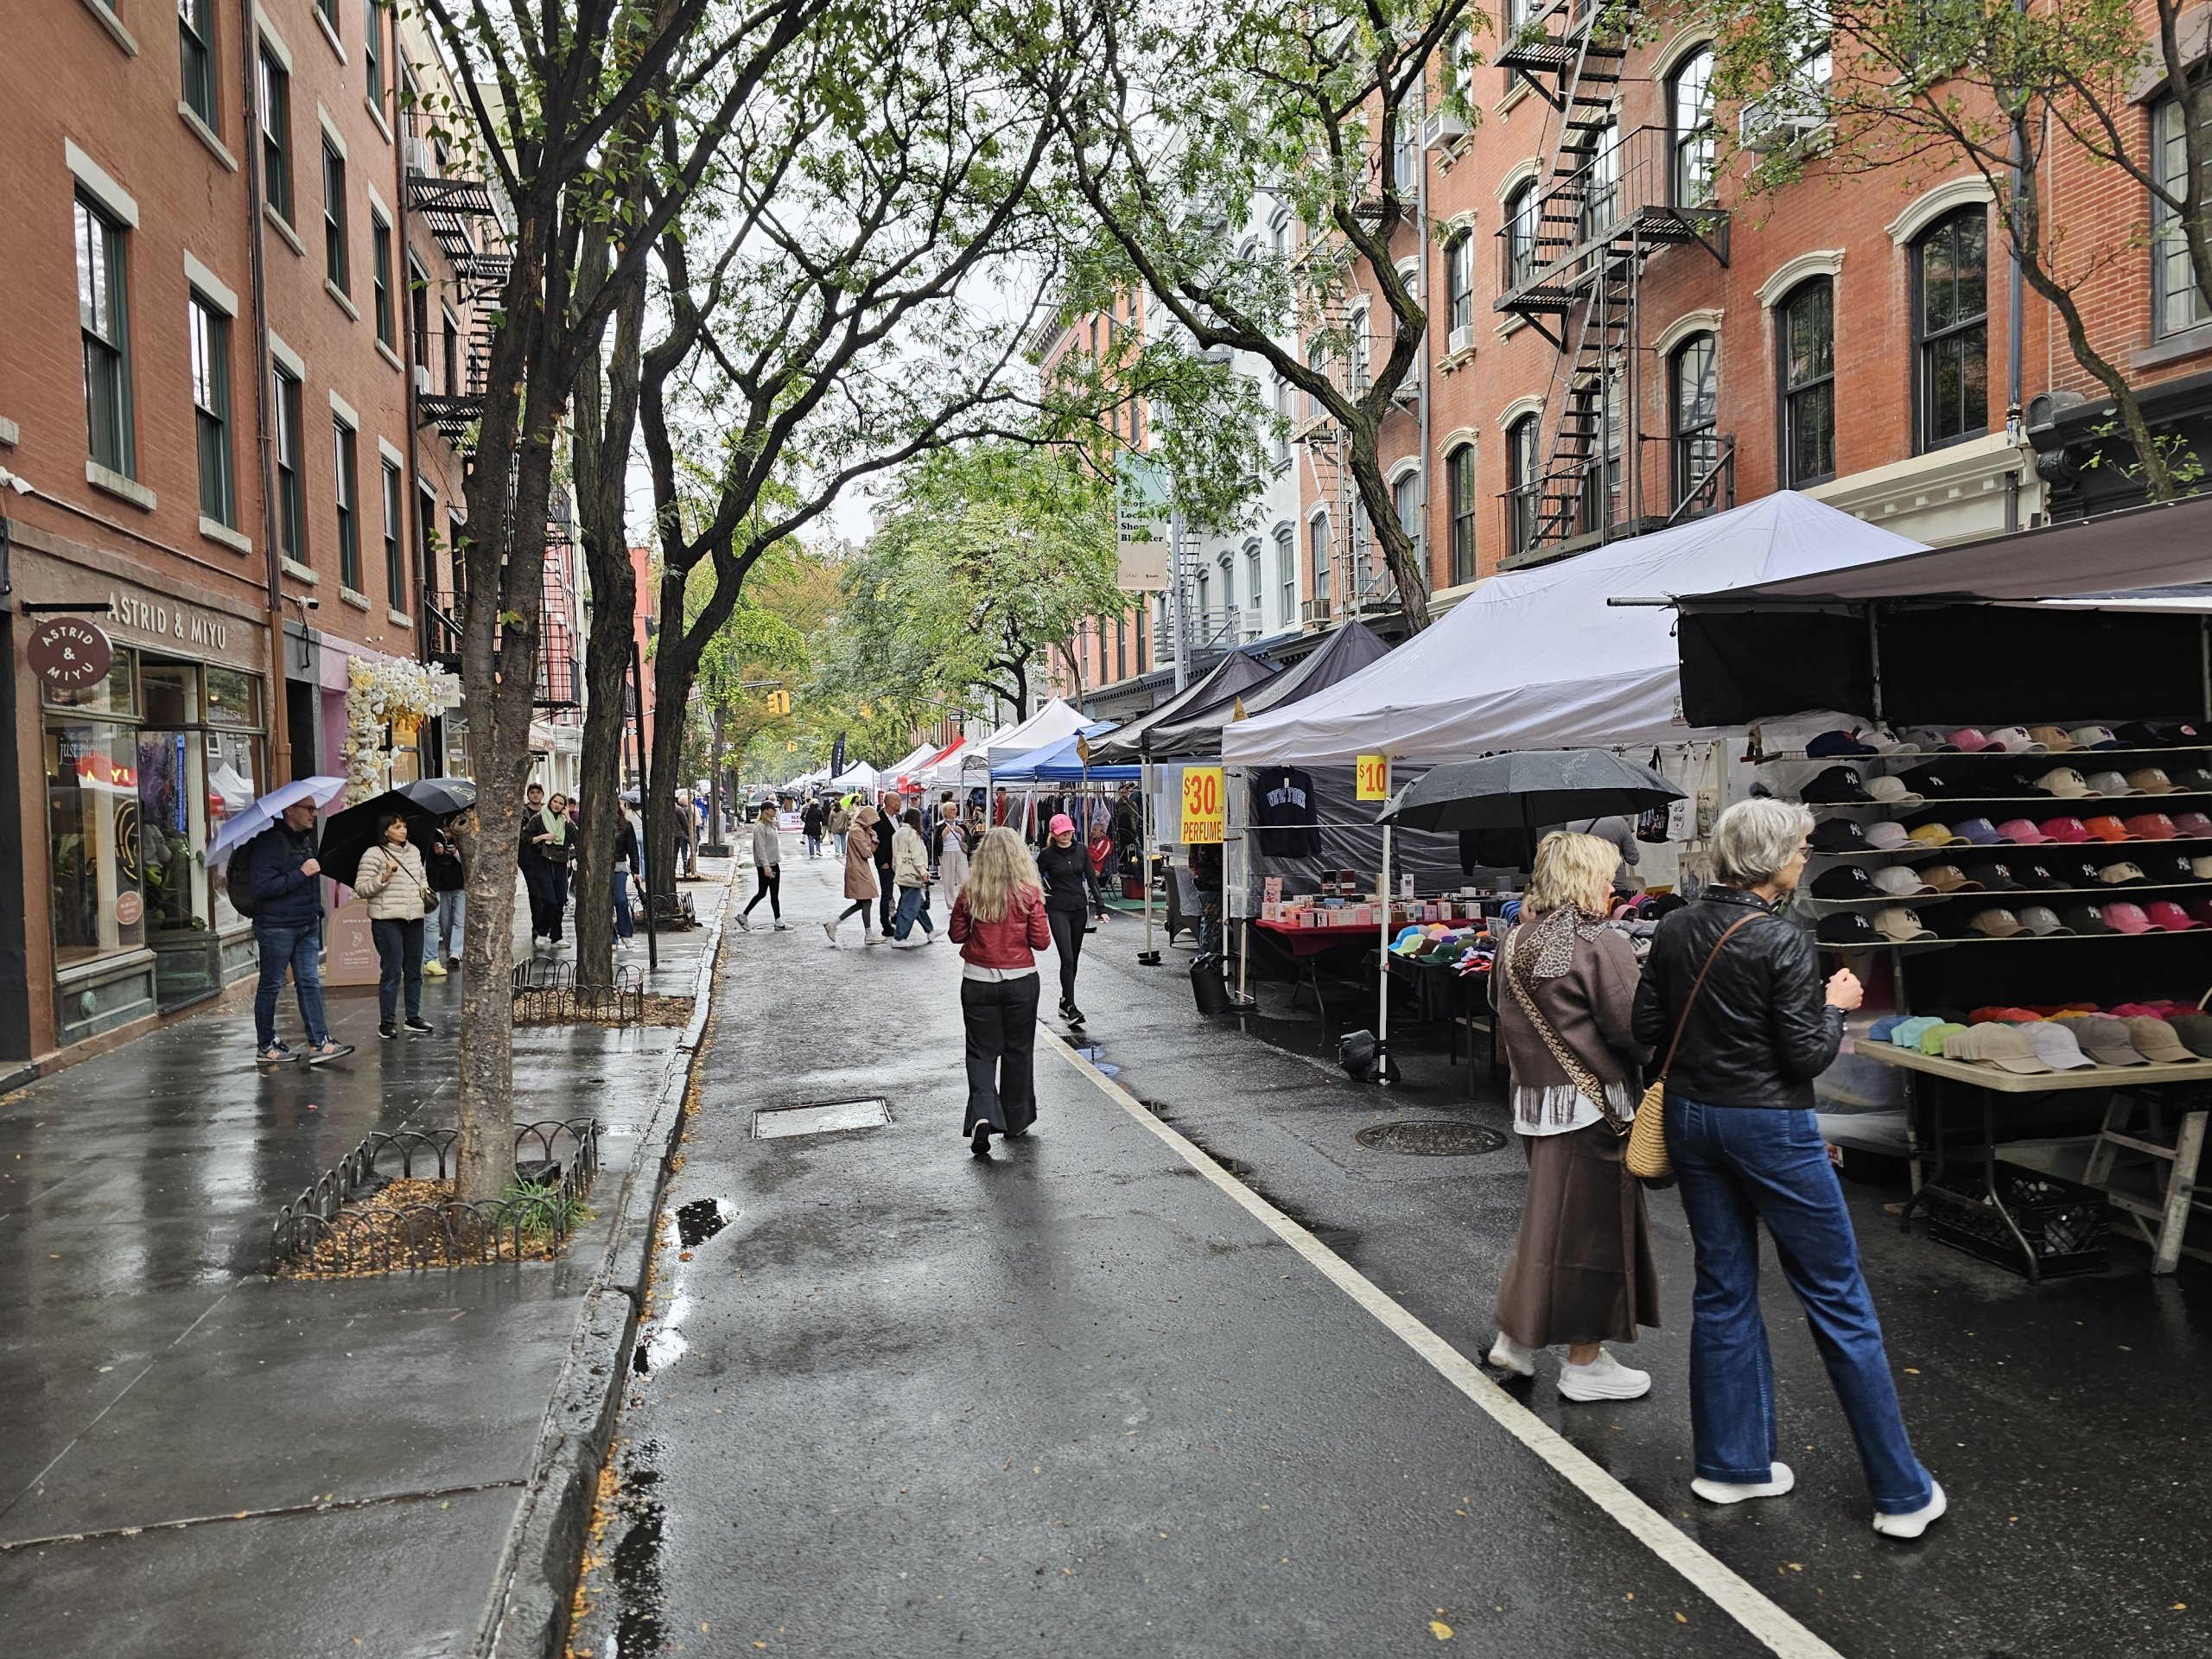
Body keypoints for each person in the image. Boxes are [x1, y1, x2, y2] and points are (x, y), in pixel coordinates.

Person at [1630, 798, 1943, 1539]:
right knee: (1837, 1297)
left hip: (1693, 1118)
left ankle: (1731, 1466)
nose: (1806, 856)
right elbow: (1806, 1055)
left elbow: (1646, 1026)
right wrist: (1836, 1005)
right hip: (1770, 1126)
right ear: (1772, 859)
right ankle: (1900, 1492)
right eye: (1801, 847)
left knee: (1723, 1287)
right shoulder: (1786, 940)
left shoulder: (1675, 927)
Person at [1485, 831, 1657, 1402]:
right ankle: (1585, 1362)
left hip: (1537, 1102)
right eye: (1607, 876)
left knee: (1551, 1224)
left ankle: (1519, 1333)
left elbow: (1498, 1006)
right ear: (1587, 879)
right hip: (1594, 1107)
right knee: (1596, 1237)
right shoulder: (1598, 943)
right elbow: (1635, 1029)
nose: (1613, 887)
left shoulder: (1517, 938)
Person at [950, 826, 1052, 1156]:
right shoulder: (1028, 892)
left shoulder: (971, 890)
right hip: (1020, 979)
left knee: (980, 1051)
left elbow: (956, 935)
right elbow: (1041, 941)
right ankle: (1016, 1120)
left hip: (978, 979)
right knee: (1018, 1050)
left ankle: (982, 1113)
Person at [241, 797, 353, 1066]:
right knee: (271, 985)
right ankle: (266, 1045)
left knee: (310, 983)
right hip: (277, 927)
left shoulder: (303, 841)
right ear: (290, 810)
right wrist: (302, 873)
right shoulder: (270, 843)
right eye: (309, 809)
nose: (314, 813)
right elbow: (262, 888)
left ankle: (320, 1042)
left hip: (306, 924)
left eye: (315, 808)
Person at [355, 812, 436, 1040]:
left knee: (414, 970)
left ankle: (413, 1017)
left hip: (415, 918)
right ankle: (387, 1022)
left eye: (404, 826)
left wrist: (424, 891)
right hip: (387, 920)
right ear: (385, 831)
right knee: (392, 971)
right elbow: (361, 889)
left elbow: (422, 877)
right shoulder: (373, 854)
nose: (403, 831)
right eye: (397, 827)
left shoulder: (414, 851)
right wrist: (384, 876)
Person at [1037, 811, 1106, 1027]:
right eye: (1061, 832)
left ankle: (1065, 1001)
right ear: (1053, 833)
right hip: (1058, 909)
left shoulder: (1081, 850)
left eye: (1068, 831)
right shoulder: (1046, 855)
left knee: (1073, 958)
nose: (1066, 835)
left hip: (1079, 909)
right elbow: (1034, 878)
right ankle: (1071, 1007)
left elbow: (1091, 877)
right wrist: (1043, 897)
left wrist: (1101, 906)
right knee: (1066, 957)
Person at [519, 785, 574, 953]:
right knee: (549, 900)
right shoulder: (539, 817)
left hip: (560, 860)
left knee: (560, 900)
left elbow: (575, 838)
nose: (557, 805)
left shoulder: (564, 820)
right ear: (550, 802)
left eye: (561, 803)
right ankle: (542, 932)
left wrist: (568, 819)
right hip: (542, 861)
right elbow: (524, 839)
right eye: (555, 802)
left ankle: (557, 936)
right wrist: (542, 837)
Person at [826, 805, 881, 946]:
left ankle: (834, 924)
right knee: (866, 901)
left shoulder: (860, 830)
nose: (873, 824)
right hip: (858, 870)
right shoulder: (857, 831)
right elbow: (867, 852)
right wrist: (873, 837)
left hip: (859, 868)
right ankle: (868, 934)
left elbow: (869, 850)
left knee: (862, 902)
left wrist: (871, 836)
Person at [422, 817, 466, 976]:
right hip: (440, 886)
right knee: (444, 922)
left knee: (457, 921)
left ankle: (454, 952)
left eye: (449, 831)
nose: (447, 834)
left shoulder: (461, 839)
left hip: (458, 885)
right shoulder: (431, 838)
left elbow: (469, 860)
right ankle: (448, 951)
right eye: (445, 831)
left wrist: (454, 853)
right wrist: (439, 853)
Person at [889, 808, 937, 947]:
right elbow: (916, 856)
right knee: (909, 907)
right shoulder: (912, 834)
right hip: (912, 874)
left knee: (917, 904)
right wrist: (923, 872)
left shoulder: (898, 833)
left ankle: (930, 930)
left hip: (901, 873)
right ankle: (899, 938)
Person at [740, 803, 787, 931]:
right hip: (766, 866)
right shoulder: (760, 827)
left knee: (771, 893)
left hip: (774, 863)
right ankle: (744, 916)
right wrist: (766, 866)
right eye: (773, 809)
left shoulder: (770, 824)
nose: (775, 811)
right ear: (766, 810)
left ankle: (778, 920)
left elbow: (776, 825)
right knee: (763, 893)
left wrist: (774, 821)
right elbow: (760, 848)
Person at [613, 804, 641, 950]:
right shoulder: (597, 824)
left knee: (621, 900)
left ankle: (625, 934)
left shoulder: (625, 825)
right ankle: (612, 938)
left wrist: (636, 870)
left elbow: (632, 848)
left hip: (619, 865)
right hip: (601, 867)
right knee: (606, 903)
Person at [872, 798, 899, 936]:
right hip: (886, 862)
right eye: (898, 802)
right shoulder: (878, 820)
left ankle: (896, 915)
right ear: (891, 803)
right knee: (887, 893)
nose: (900, 804)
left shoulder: (898, 818)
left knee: (905, 891)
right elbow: (876, 843)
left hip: (899, 862)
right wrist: (882, 862)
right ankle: (885, 923)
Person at [936, 805, 970, 896]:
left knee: (964, 877)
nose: (956, 811)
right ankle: (951, 902)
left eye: (956, 809)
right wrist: (943, 835)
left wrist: (962, 833)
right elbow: (936, 843)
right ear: (946, 812)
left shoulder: (960, 823)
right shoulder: (940, 825)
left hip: (960, 851)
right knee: (948, 879)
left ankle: (964, 899)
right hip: (947, 852)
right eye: (953, 809)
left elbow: (968, 840)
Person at [801, 796, 825, 860]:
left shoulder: (807, 810)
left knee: (810, 840)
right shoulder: (819, 811)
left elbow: (802, 817)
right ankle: (818, 850)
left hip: (809, 827)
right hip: (817, 826)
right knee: (817, 839)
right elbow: (822, 819)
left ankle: (812, 854)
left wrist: (806, 821)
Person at [829, 798, 851, 862]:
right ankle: (843, 852)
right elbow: (850, 817)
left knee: (836, 840)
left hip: (835, 828)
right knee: (843, 840)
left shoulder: (832, 812)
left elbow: (830, 821)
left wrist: (830, 828)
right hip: (843, 828)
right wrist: (845, 811)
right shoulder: (843, 812)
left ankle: (837, 852)